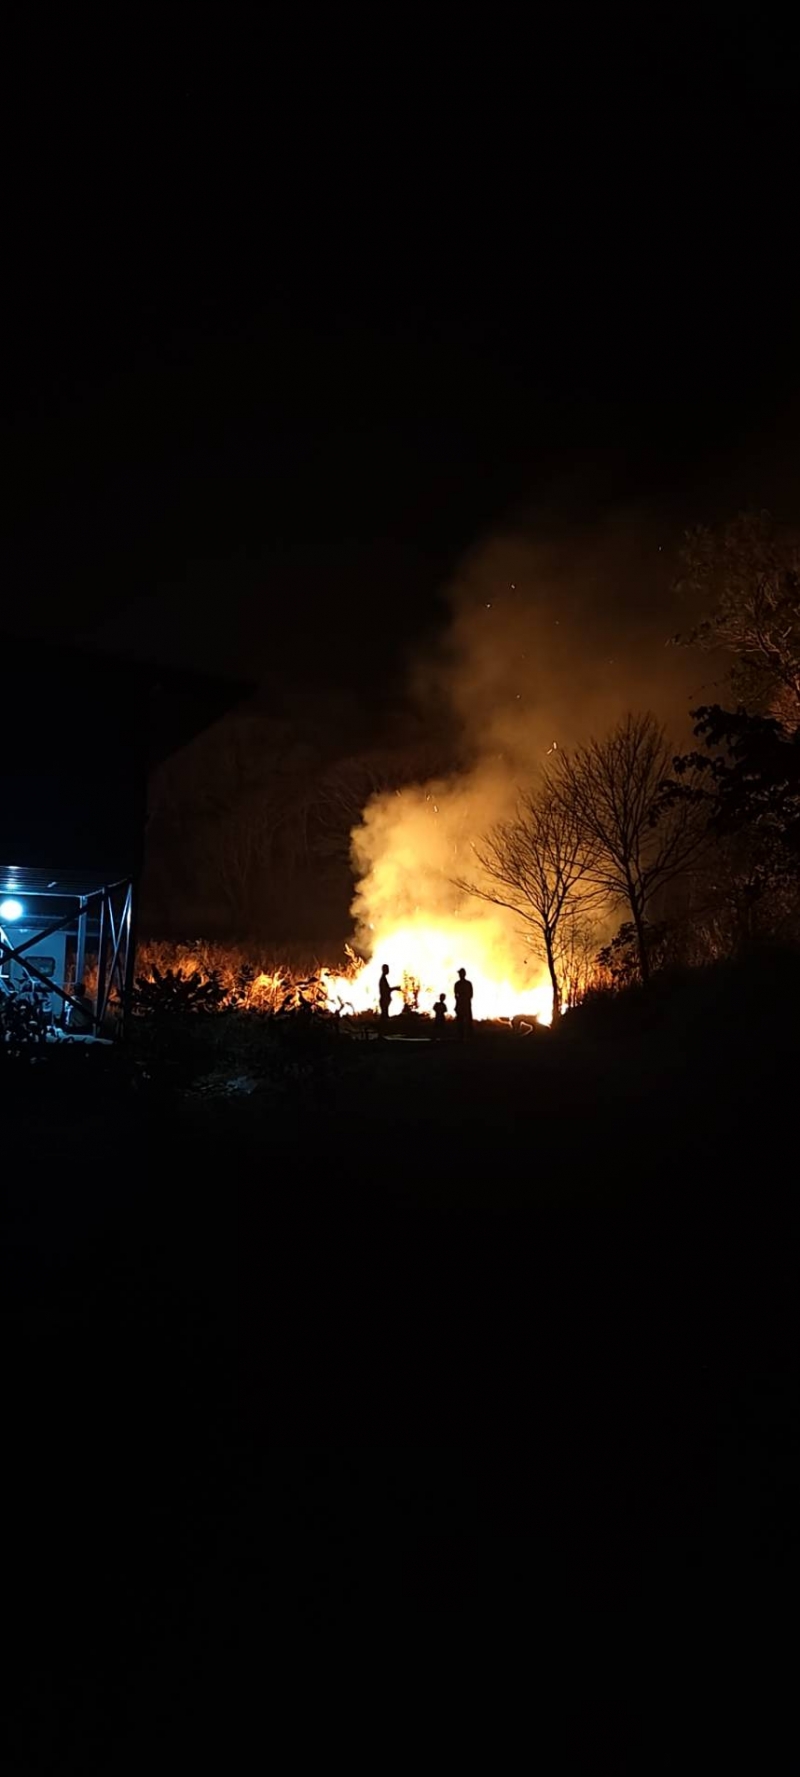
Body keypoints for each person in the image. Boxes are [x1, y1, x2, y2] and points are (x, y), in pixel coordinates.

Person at [378, 963, 399, 1036]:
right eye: (387, 969)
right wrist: (395, 988)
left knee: (384, 1016)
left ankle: (382, 1033)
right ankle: (382, 1033)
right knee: (384, 1017)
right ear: (384, 970)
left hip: (385, 1000)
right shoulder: (382, 980)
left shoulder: (384, 979)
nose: (388, 970)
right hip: (384, 1000)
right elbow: (386, 990)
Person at [454, 967, 474, 1039]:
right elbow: (470, 995)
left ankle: (464, 1036)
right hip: (465, 1004)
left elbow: (456, 995)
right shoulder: (467, 983)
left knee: (463, 1021)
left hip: (463, 1004)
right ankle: (465, 1037)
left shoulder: (458, 984)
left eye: (460, 973)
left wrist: (460, 1001)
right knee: (464, 1021)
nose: (459, 975)